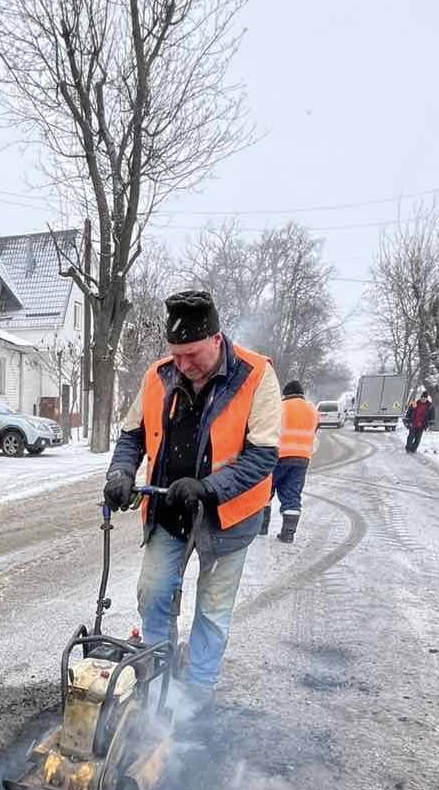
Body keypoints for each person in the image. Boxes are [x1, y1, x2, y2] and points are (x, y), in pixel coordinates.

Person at [103, 288, 282, 698]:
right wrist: (120, 473)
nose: (182, 365)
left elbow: (262, 456)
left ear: (216, 340)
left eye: (193, 355)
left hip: (227, 519)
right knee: (153, 593)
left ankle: (197, 694)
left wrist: (206, 488)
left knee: (213, 611)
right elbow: (131, 437)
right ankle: (155, 678)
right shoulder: (159, 375)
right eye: (176, 354)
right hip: (169, 509)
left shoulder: (256, 376)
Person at [262, 379, 319, 543]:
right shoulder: (313, 410)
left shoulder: (279, 407)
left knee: (265, 491)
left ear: (285, 394)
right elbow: (314, 431)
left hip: (278, 456)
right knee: (293, 495)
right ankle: (288, 534)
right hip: (302, 458)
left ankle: (262, 528)